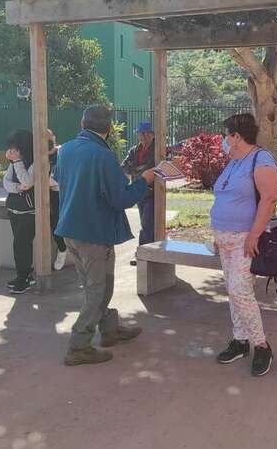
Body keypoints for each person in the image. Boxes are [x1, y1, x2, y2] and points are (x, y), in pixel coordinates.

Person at [55, 105, 156, 366]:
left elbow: (60, 181)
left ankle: (109, 328)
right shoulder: (104, 156)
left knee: (97, 286)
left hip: (70, 230)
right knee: (97, 291)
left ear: (82, 124)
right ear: (110, 128)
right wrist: (144, 180)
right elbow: (120, 198)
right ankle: (79, 345)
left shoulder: (66, 150)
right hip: (94, 234)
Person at [210, 113, 277, 377]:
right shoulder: (235, 160)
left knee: (240, 291)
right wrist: (218, 233)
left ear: (237, 136)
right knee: (233, 291)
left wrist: (254, 235)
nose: (224, 139)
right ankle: (240, 341)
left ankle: (261, 345)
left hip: (245, 240)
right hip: (225, 239)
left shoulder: (261, 159)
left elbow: (269, 199)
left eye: (226, 134)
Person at [3, 130, 36, 294]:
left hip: (28, 212)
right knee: (18, 245)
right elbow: (6, 182)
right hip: (13, 208)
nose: (12, 151)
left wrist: (17, 162)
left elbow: (27, 182)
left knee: (22, 244)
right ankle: (23, 275)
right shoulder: (15, 162)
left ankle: (24, 278)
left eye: (15, 148)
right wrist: (18, 188)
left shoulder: (35, 162)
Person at [121, 121, 156, 266]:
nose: (142, 136)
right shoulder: (134, 150)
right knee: (145, 223)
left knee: (147, 224)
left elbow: (153, 167)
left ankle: (142, 254)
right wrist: (140, 170)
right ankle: (148, 253)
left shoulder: (158, 149)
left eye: (145, 133)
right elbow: (124, 166)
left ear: (152, 134)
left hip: (153, 192)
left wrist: (136, 169)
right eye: (140, 133)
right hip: (139, 192)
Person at [46, 129, 68, 271]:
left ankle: (63, 249)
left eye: (49, 139)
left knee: (59, 224)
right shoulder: (38, 155)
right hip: (46, 195)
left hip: (62, 194)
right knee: (52, 224)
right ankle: (62, 248)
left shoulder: (63, 152)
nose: (47, 143)